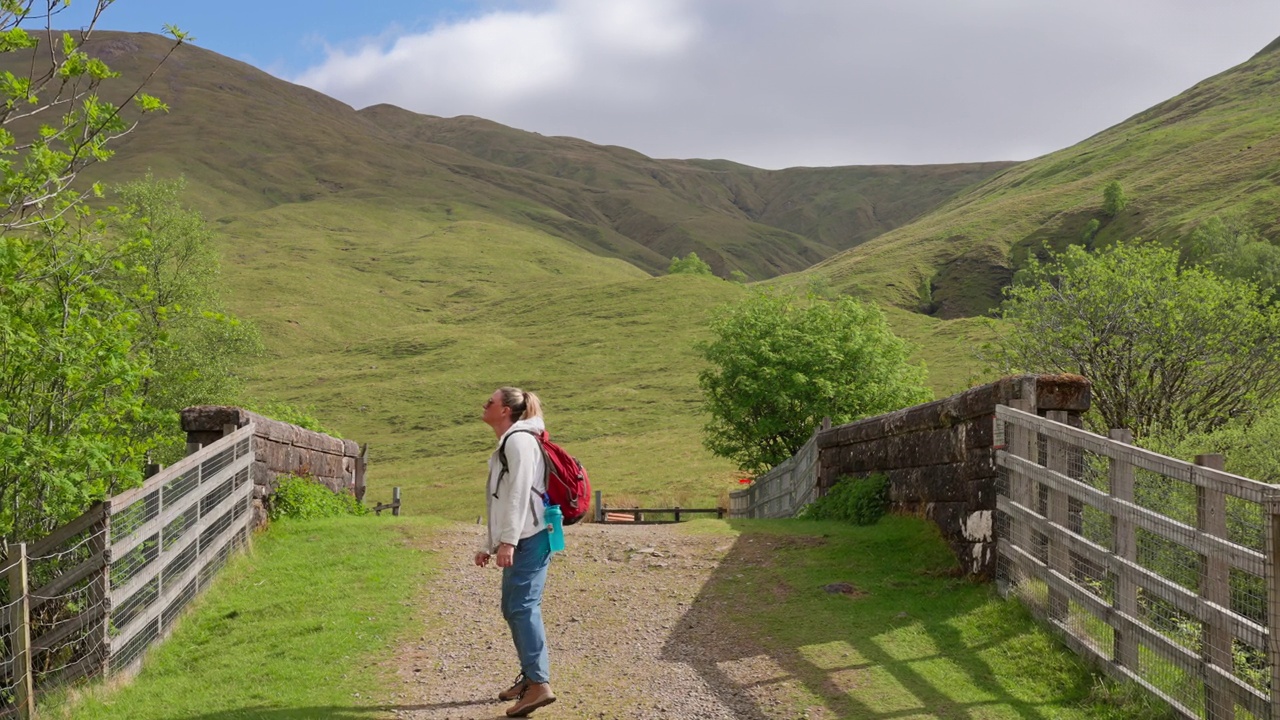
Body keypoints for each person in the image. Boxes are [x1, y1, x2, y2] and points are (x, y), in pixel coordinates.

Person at [475, 386, 557, 717]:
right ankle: (530, 678)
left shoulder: (519, 440)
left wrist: (507, 541)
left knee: (522, 607)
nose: (485, 404)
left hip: (530, 536)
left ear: (506, 410)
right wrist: (489, 543)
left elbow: (520, 493)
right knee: (513, 608)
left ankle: (539, 684)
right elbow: (500, 499)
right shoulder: (511, 441)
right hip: (522, 535)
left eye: (491, 401)